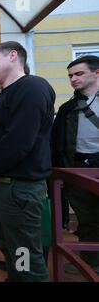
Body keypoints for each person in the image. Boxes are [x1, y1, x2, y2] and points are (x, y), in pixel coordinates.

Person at [0, 41, 55, 282]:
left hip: (19, 188)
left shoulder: (31, 87)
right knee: (9, 246)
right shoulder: (1, 98)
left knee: (25, 255)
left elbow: (17, 143)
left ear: (12, 56)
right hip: (2, 186)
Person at [52, 55, 99, 274]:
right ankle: (90, 262)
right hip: (77, 167)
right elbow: (57, 142)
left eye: (79, 73)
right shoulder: (66, 108)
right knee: (86, 218)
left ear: (96, 73)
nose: (73, 79)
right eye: (70, 75)